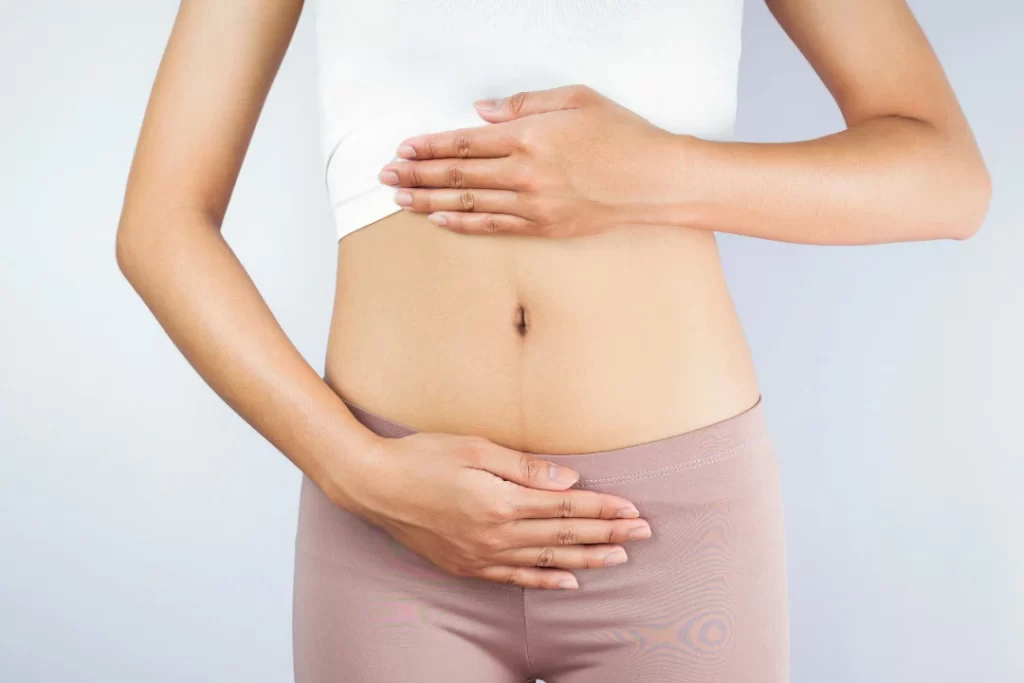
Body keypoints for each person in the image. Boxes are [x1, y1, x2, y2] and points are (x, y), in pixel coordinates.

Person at [115, 1, 990, 681]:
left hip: (671, 532)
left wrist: (653, 173)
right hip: (391, 525)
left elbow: (947, 180)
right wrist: (356, 471)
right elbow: (160, 224)